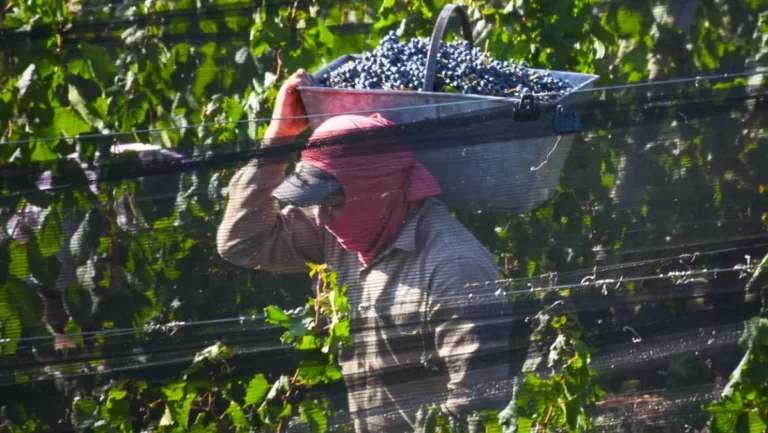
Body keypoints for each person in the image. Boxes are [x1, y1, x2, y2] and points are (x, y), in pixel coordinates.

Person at [217, 69, 511, 433]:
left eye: (333, 203)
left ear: (380, 190)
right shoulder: (343, 234)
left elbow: (478, 406)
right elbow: (242, 243)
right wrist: (278, 138)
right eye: (317, 204)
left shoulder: (453, 270)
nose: (321, 219)